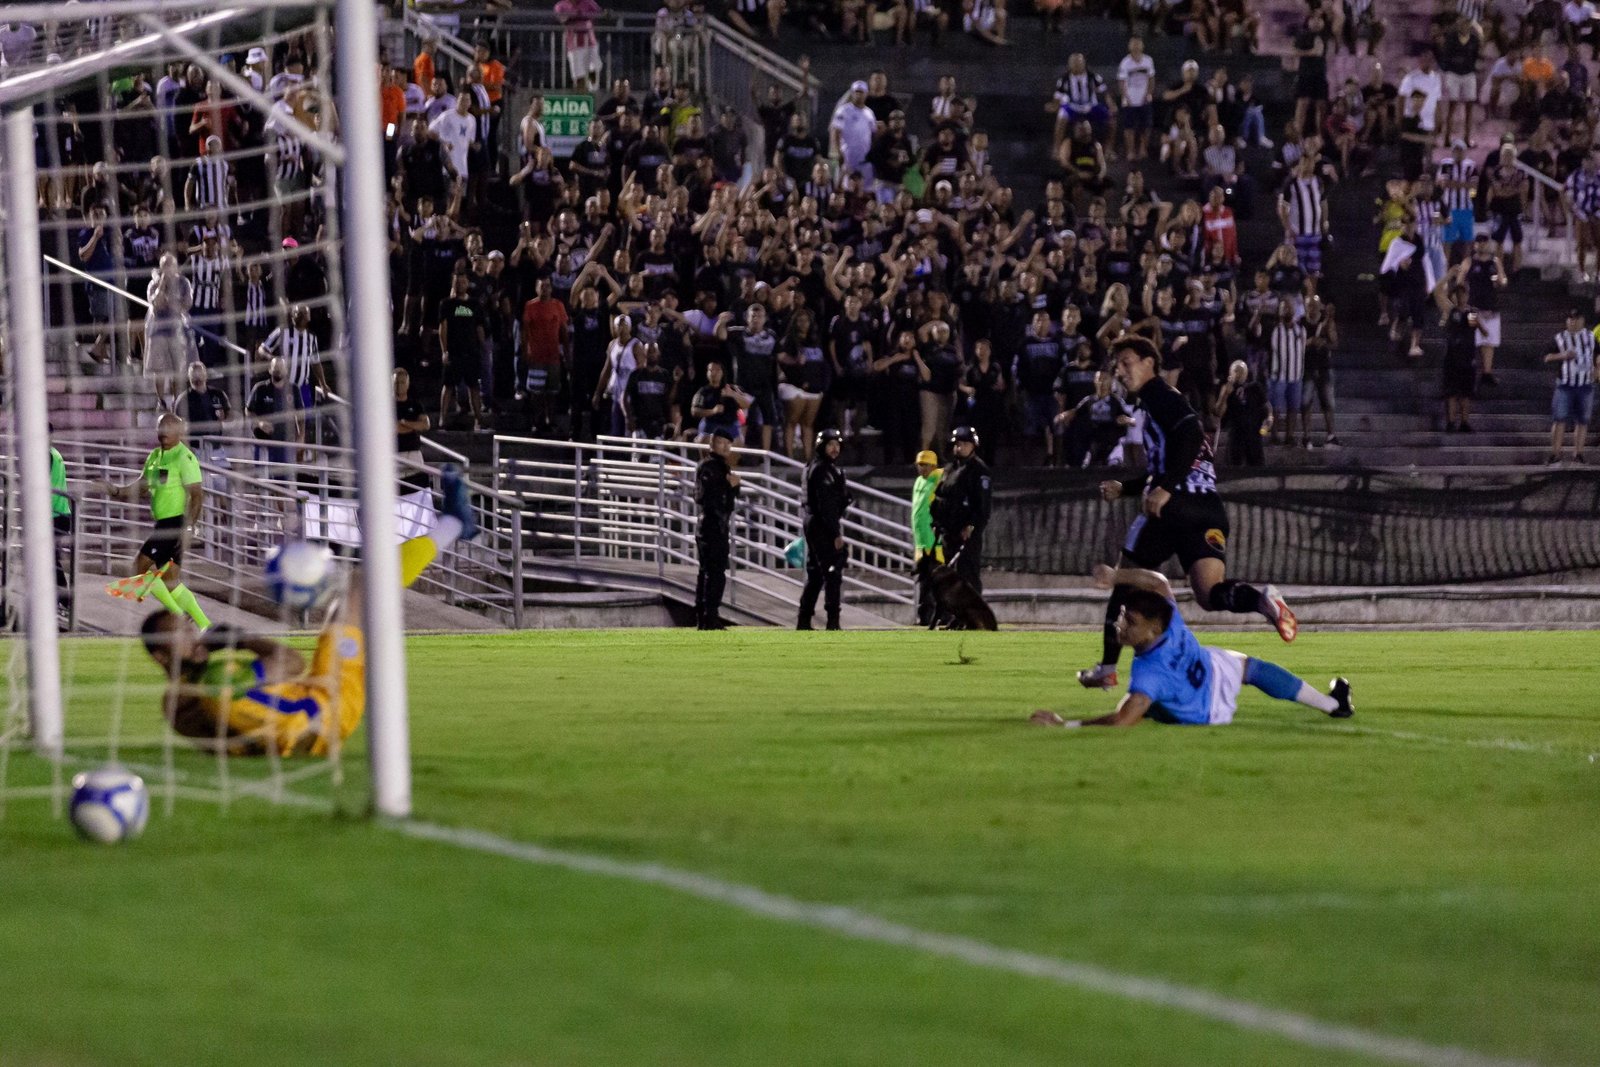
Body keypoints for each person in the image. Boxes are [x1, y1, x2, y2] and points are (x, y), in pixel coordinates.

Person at [139, 468, 479, 756]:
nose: (195, 637)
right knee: (360, 588)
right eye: (182, 635)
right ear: (161, 656)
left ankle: (451, 525)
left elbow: (232, 745)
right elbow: (291, 662)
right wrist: (241, 639)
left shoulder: (178, 704)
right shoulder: (216, 681)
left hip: (309, 713)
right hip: (329, 704)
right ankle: (452, 524)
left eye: (189, 629)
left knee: (358, 598)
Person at [1079, 336, 1296, 692]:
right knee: (1209, 594)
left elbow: (1193, 436)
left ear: (1149, 363)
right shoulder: (1159, 402)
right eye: (1117, 365)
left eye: (1127, 362)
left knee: (1124, 579)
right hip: (1207, 507)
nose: (1121, 371)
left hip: (1175, 505)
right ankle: (1262, 600)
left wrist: (1165, 489)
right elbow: (1175, 459)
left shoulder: (1158, 395)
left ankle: (1106, 668)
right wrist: (1128, 487)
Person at [1032, 564, 1351, 728]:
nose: (1120, 625)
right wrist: (1117, 576)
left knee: (1145, 704)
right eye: (1121, 617)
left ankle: (1159, 707)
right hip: (1210, 671)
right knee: (1250, 667)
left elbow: (1122, 721)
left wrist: (1066, 724)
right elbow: (1158, 582)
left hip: (1203, 713)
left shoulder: (1148, 672)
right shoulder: (1170, 621)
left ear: (1153, 629)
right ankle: (1332, 705)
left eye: (1130, 621)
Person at [97, 413, 212, 632]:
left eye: (169, 427)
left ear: (179, 431)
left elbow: (197, 495)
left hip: (174, 525)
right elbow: (142, 486)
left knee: (139, 568)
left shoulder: (184, 457)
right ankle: (205, 625)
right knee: (171, 582)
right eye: (161, 427)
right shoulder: (155, 456)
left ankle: (179, 617)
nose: (164, 431)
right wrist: (116, 491)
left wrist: (190, 527)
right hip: (162, 524)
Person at [797, 428, 852, 631]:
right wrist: (835, 533)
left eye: (837, 445)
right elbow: (826, 506)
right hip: (821, 524)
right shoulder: (823, 470)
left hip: (814, 522)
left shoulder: (816, 466)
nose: (835, 449)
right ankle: (832, 621)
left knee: (816, 574)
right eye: (830, 445)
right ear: (822, 446)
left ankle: (804, 620)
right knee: (832, 571)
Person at [930, 426, 991, 598]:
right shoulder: (949, 469)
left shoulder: (979, 471)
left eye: (964, 444)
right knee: (948, 577)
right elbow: (940, 496)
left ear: (973, 446)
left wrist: (971, 526)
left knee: (968, 576)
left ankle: (973, 612)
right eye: (957, 444)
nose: (960, 447)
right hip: (948, 532)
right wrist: (936, 523)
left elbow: (982, 507)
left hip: (966, 535)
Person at [693, 428, 741, 629]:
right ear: (711, 444)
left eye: (728, 443)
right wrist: (729, 485)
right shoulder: (709, 466)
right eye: (721, 442)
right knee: (713, 572)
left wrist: (733, 486)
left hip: (718, 525)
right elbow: (704, 497)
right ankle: (708, 617)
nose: (726, 446)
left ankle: (707, 616)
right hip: (710, 525)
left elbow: (728, 500)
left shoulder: (722, 466)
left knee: (712, 572)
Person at [1544, 309, 1595, 464]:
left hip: (1585, 383)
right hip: (1565, 383)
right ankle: (1555, 453)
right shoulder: (1560, 337)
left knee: (1582, 420)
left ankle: (1578, 453)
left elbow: (1598, 355)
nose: (1573, 322)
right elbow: (1547, 357)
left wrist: (1597, 370)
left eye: (1576, 319)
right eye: (1570, 319)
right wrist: (1563, 355)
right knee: (1559, 418)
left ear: (1583, 320)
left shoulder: (1591, 337)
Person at [910, 449, 942, 627]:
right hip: (921, 542)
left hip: (934, 542)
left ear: (933, 466)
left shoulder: (939, 478)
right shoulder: (919, 481)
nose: (922, 468)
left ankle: (940, 616)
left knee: (935, 581)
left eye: (925, 465)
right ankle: (924, 617)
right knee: (924, 580)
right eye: (920, 465)